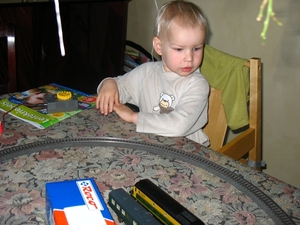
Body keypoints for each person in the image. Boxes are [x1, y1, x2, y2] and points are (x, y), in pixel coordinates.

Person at [96, 0, 210, 146]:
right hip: (151, 145)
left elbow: (178, 125)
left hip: (188, 153)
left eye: (196, 48)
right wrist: (109, 83)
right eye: (179, 49)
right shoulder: (146, 73)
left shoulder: (198, 85)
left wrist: (133, 117)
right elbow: (120, 88)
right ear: (159, 46)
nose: (189, 58)